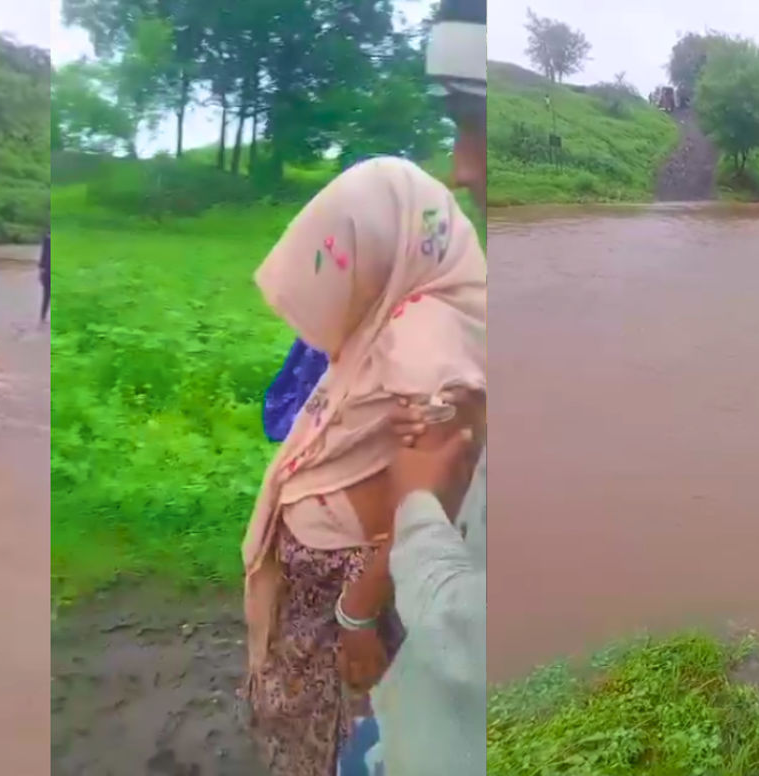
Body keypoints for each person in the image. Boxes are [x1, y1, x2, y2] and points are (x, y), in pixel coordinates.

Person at [242, 156, 487, 775]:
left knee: (348, 730)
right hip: (333, 582)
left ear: (391, 244)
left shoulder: (428, 336)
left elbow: (430, 500)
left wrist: (356, 614)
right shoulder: (407, 310)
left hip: (349, 591)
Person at [338, 3, 490, 774]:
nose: (461, 168)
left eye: (476, 123)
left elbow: (419, 482)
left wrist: (356, 609)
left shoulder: (430, 329)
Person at [39, 230, 51, 323]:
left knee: (46, 295)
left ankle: (43, 316)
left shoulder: (47, 239)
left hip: (47, 270)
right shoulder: (48, 240)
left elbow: (43, 256)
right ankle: (43, 316)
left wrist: (41, 270)